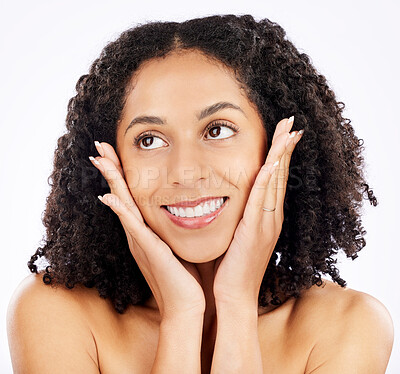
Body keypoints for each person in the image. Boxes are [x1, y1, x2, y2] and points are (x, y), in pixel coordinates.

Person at [6, 14, 394, 373]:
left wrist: (237, 305)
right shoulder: (54, 311)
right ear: (112, 160)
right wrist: (181, 315)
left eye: (217, 130)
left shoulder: (349, 326)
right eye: (149, 139)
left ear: (275, 143)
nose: (184, 174)